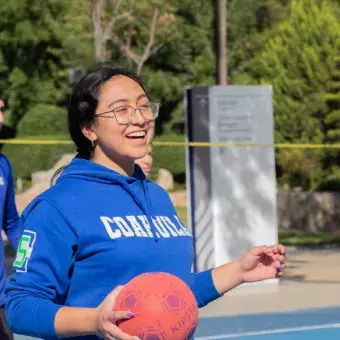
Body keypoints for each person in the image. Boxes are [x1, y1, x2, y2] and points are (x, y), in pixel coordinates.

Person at [5, 67, 287, 340]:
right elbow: (20, 307)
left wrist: (238, 271)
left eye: (143, 107)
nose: (139, 119)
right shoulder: (57, 206)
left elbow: (172, 295)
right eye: (122, 110)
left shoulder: (157, 196)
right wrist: (95, 321)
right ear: (89, 128)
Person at [0, 96, 20, 340]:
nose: (1, 118)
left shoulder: (3, 165)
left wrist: (30, 263)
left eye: (2, 110)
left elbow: (12, 225)